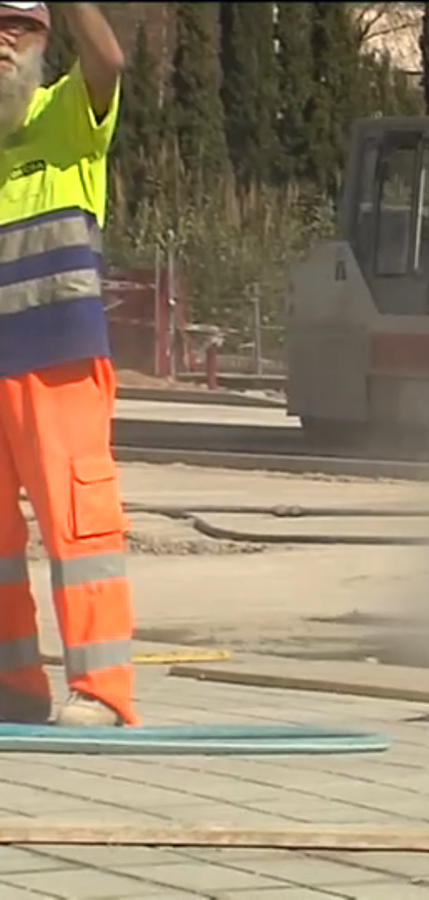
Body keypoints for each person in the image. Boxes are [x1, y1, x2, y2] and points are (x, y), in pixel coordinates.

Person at [0, 1, 136, 725]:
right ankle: (13, 689)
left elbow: (109, 62)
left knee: (79, 533)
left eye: (18, 27)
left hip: (58, 363)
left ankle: (103, 692)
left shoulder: (69, 116)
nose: (2, 38)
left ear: (43, 41)